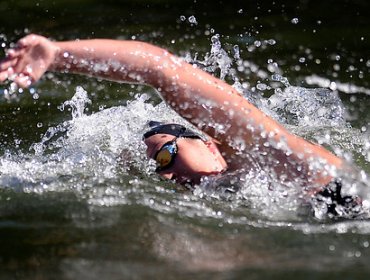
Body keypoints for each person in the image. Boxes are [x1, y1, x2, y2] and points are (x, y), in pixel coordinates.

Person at [0, 34, 350, 198]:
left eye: (166, 155)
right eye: (159, 169)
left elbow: (160, 69)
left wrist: (58, 55)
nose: (167, 175)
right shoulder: (239, 201)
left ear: (211, 144)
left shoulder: (269, 154)